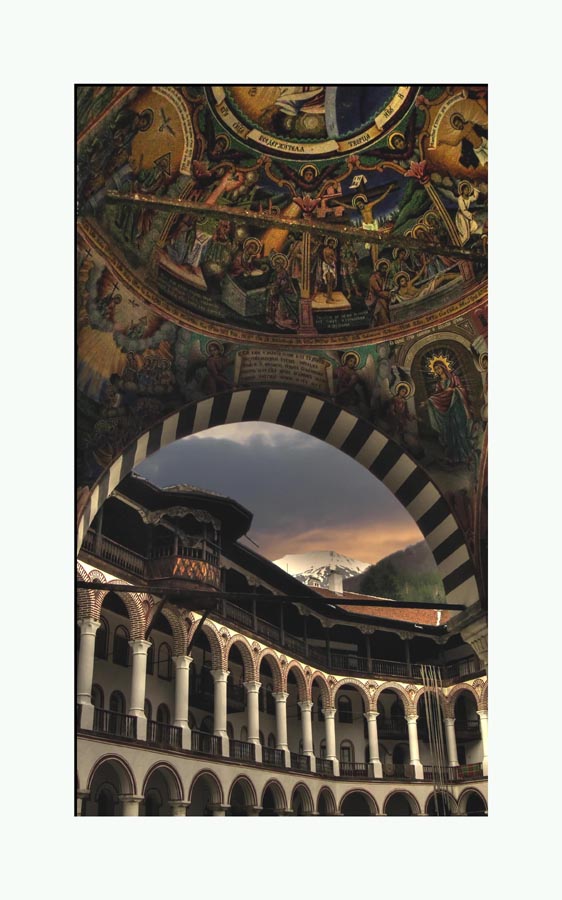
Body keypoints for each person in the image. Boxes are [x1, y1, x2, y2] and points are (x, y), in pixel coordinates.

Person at [422, 360, 473, 464]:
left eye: (439, 368)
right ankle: (455, 458)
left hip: (457, 407)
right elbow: (438, 396)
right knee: (451, 432)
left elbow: (462, 389)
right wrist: (429, 401)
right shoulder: (439, 384)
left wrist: (454, 390)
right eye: (435, 369)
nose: (438, 370)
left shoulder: (454, 378)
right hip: (447, 411)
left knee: (461, 431)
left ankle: (468, 455)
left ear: (443, 367)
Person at [455, 182, 481, 246]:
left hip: (466, 216)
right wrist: (471, 215)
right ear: (462, 190)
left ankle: (459, 244)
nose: (467, 191)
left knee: (474, 226)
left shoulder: (468, 198)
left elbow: (475, 197)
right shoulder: (460, 198)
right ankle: (459, 245)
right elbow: (463, 210)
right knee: (466, 236)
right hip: (461, 216)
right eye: (465, 190)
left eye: (468, 190)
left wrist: (475, 188)